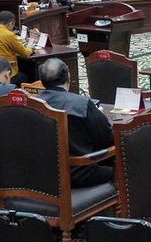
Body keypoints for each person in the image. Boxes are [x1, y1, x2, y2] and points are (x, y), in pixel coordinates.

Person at [36, 58, 115, 188]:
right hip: (80, 173)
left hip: (43, 174)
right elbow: (107, 138)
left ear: (42, 81)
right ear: (68, 76)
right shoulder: (81, 104)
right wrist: (97, 115)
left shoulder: (32, 104)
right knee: (128, 168)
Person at [0, 11, 36, 84]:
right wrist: (31, 48)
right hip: (4, 75)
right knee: (26, 74)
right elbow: (25, 54)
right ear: (11, 23)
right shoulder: (9, 35)